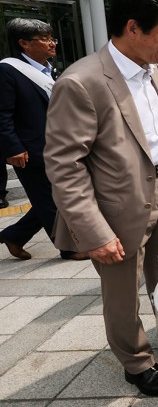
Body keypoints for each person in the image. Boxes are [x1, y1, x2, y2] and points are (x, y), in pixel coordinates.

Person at [44, 0, 158, 398]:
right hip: (114, 209)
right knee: (122, 294)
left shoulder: (151, 69)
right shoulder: (81, 82)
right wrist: (94, 233)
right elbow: (64, 166)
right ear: (132, 28)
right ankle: (137, 362)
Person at [0, 17, 86, 261]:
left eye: (52, 38)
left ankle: (14, 235)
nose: (52, 43)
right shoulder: (7, 70)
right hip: (29, 149)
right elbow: (2, 113)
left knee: (54, 195)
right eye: (45, 39)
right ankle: (69, 247)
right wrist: (12, 148)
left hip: (58, 145)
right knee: (49, 198)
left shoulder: (48, 70)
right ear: (24, 43)